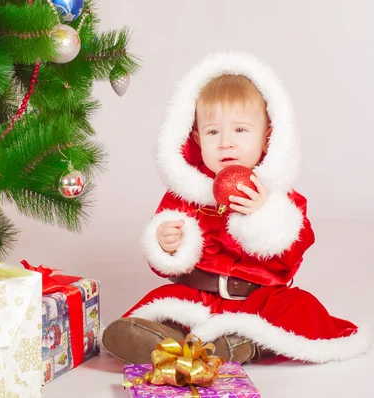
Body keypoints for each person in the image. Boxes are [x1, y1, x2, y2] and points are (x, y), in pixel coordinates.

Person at [101, 52, 371, 364]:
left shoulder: (275, 196)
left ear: (267, 138)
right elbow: (165, 263)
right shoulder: (186, 195)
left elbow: (291, 255)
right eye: (213, 132)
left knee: (300, 307)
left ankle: (240, 343)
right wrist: (165, 243)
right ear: (196, 139)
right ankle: (163, 339)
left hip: (258, 299)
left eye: (240, 130)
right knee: (162, 301)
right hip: (200, 298)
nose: (226, 143)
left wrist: (265, 214)